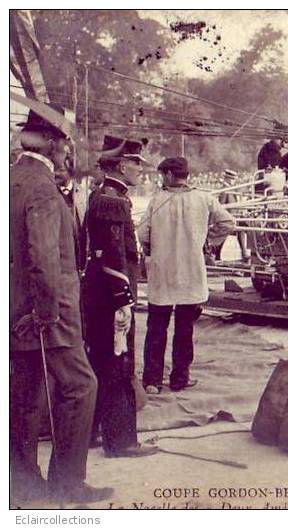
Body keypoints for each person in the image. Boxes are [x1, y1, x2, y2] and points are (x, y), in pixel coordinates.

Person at [10, 104, 112, 503]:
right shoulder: (42, 188)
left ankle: (23, 481)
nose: (69, 151)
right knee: (81, 387)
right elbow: (43, 256)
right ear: (52, 143)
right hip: (49, 312)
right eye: (65, 143)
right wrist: (46, 312)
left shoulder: (11, 179)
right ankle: (67, 485)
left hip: (15, 307)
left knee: (24, 392)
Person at [82, 134, 158, 459]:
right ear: (122, 164)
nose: (141, 170)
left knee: (100, 363)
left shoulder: (104, 195)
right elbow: (112, 256)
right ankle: (121, 441)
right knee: (118, 366)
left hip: (100, 295)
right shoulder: (113, 199)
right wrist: (123, 299)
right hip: (113, 298)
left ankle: (92, 433)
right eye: (137, 163)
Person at [139, 157, 235, 394]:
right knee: (185, 330)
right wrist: (207, 240)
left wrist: (152, 248)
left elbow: (142, 234)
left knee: (156, 329)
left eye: (163, 176)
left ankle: (152, 381)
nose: (162, 180)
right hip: (191, 275)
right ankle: (179, 379)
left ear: (170, 175)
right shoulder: (204, 198)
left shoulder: (157, 200)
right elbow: (228, 223)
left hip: (163, 275)